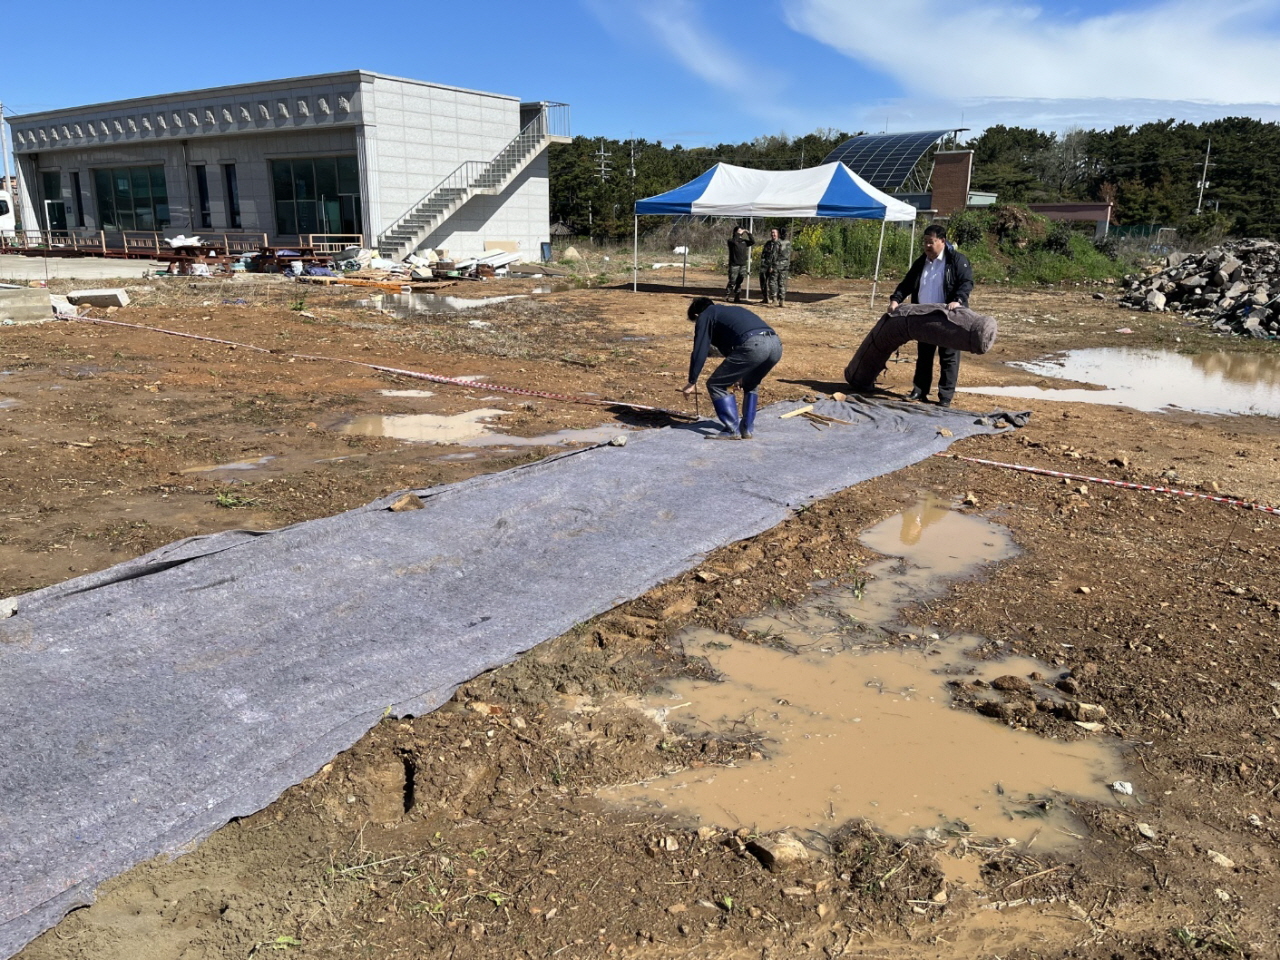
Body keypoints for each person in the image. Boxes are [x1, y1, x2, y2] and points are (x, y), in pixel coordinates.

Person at [887, 223, 974, 407]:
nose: (927, 246)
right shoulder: (921, 262)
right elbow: (907, 283)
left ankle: (945, 397)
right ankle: (919, 391)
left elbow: (966, 282)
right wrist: (896, 300)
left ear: (942, 241)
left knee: (948, 356)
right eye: (925, 242)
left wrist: (958, 300)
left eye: (931, 242)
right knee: (924, 355)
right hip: (924, 315)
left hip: (949, 317)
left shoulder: (956, 261)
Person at [682, 296, 782, 439]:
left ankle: (731, 430)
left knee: (715, 384)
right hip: (775, 345)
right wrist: (739, 375)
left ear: (697, 315)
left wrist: (692, 381)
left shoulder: (706, 315)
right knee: (751, 384)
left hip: (754, 345)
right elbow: (735, 347)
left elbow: (700, 350)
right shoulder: (730, 311)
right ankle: (747, 429)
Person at [725, 225, 754, 302]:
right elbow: (734, 241)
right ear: (735, 232)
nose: (741, 233)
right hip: (734, 264)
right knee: (732, 280)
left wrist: (748, 233)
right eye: (739, 231)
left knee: (739, 281)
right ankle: (727, 295)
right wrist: (738, 234)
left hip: (742, 264)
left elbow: (752, 242)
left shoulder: (743, 242)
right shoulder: (731, 241)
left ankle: (737, 296)